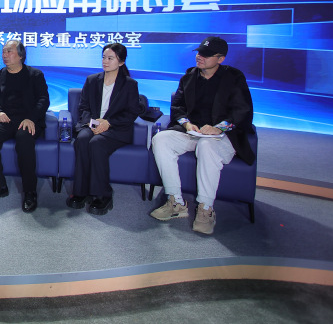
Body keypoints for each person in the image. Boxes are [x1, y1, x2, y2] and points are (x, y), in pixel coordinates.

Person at [150, 36, 254, 235]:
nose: (200, 57)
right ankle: (175, 202)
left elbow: (243, 111)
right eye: (199, 53)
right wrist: (186, 123)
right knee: (160, 139)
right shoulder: (189, 77)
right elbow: (178, 107)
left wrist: (219, 127)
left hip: (222, 137)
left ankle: (205, 209)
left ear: (220, 59)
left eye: (206, 55)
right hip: (192, 133)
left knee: (207, 147)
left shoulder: (234, 77)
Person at [66, 43, 142, 215]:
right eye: (103, 57)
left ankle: (103, 194)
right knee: (82, 140)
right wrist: (93, 123)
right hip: (93, 124)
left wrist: (108, 123)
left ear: (121, 62)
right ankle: (80, 191)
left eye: (110, 58)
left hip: (117, 128)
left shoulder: (129, 84)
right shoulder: (92, 80)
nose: (105, 61)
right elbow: (83, 107)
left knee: (97, 143)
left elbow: (131, 113)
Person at [0, 40, 50, 213]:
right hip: (6, 120)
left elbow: (43, 100)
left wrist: (31, 118)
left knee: (24, 138)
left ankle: (30, 192)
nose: (4, 55)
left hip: (28, 120)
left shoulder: (35, 75)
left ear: (20, 55)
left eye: (9, 51)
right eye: (3, 51)